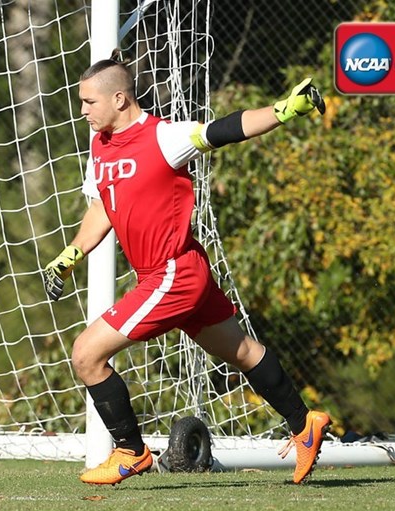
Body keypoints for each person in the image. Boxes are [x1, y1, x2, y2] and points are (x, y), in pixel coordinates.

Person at [43, 53, 330, 486]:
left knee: (86, 354)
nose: (81, 110)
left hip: (172, 273)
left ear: (119, 99)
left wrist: (283, 111)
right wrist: (71, 254)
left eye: (88, 102)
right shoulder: (99, 145)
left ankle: (130, 452)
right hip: (173, 273)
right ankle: (303, 423)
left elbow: (226, 129)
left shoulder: (163, 136)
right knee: (242, 352)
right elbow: (103, 205)